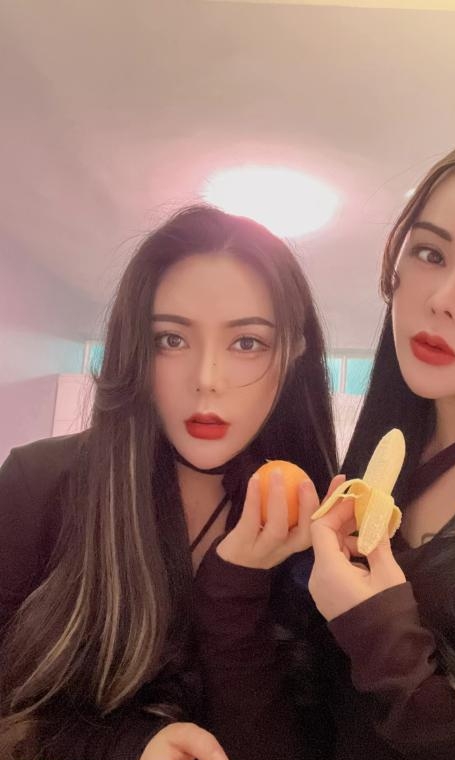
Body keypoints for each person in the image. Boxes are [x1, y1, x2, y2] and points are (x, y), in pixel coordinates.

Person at [195, 126, 455, 760]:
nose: (442, 299)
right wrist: (236, 582)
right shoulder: (377, 469)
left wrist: (383, 637)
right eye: (430, 253)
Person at [0, 204, 338, 760]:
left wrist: (236, 586)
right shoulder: (40, 486)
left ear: (293, 355)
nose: (206, 380)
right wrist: (121, 748)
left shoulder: (313, 523)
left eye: (247, 342)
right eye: (171, 340)